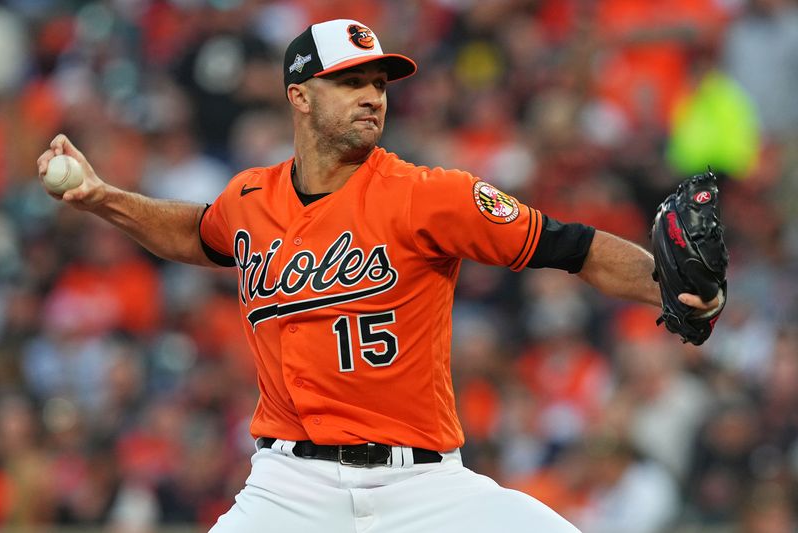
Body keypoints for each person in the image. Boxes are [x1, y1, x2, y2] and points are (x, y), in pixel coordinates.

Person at [37, 18, 720, 533]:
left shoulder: (431, 194)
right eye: (351, 81)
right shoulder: (250, 199)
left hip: (422, 486)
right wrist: (103, 197)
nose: (372, 97)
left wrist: (674, 284)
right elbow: (198, 232)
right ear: (299, 96)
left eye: (379, 83)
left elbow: (574, 247)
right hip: (288, 485)